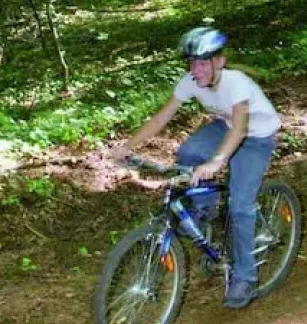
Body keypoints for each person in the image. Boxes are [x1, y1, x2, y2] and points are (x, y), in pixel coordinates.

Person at [115, 26, 279, 309]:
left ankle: (245, 277)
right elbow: (161, 118)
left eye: (203, 62)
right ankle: (207, 214)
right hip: (224, 126)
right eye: (192, 62)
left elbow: (240, 130)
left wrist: (217, 161)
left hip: (255, 137)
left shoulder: (236, 83)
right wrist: (128, 147)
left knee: (240, 206)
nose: (197, 69)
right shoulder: (191, 81)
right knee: (189, 153)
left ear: (219, 62)